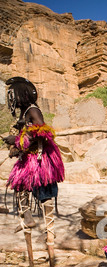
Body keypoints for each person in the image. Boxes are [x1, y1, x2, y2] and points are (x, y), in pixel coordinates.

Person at [3, 76, 64, 231]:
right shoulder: (24, 113)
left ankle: (49, 231)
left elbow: (42, 132)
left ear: (21, 95)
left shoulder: (33, 110)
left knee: (44, 193)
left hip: (39, 160)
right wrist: (16, 148)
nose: (11, 100)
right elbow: (26, 136)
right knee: (20, 186)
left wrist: (16, 140)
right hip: (28, 158)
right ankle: (29, 219)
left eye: (13, 95)